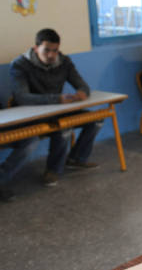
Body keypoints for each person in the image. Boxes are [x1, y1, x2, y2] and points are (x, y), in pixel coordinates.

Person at [10, 28, 103, 187]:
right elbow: (22, 97)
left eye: (55, 50)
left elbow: (81, 84)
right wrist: (58, 99)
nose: (51, 55)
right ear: (35, 48)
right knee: (64, 127)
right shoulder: (20, 65)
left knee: (96, 120)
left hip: (58, 109)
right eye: (46, 50)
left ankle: (76, 159)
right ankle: (52, 170)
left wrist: (82, 92)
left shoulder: (64, 61)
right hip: (32, 114)